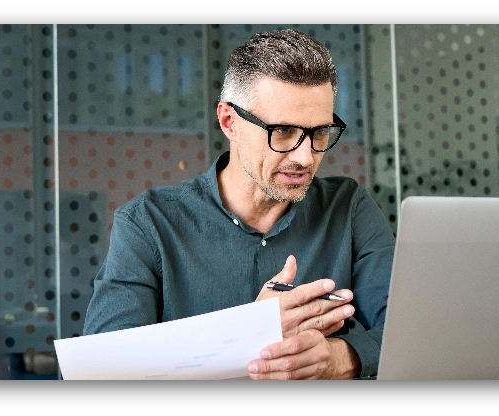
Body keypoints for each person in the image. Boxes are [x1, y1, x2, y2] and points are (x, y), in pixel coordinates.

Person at [83, 28, 396, 379]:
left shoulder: (348, 207)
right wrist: (246, 333)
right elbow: (99, 369)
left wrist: (339, 358)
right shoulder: (148, 224)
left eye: (319, 132)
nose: (305, 157)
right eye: (283, 132)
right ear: (229, 121)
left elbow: (414, 333)